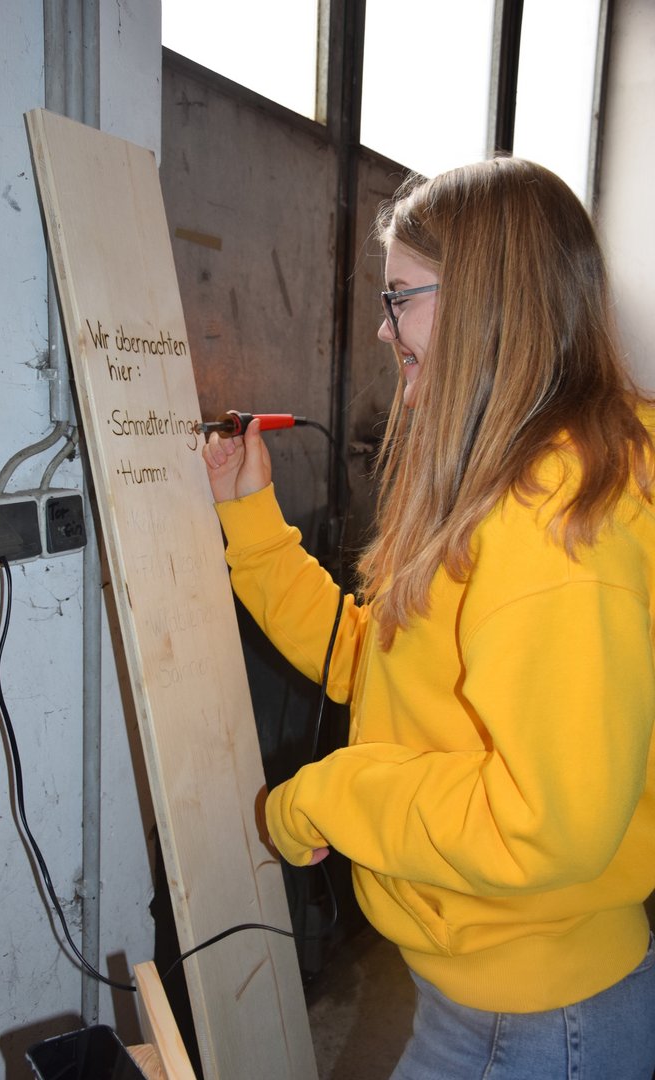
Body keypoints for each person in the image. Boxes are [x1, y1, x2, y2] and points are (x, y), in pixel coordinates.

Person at [202, 157, 655, 1079]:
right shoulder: (510, 482)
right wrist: (250, 518)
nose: (383, 326)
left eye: (399, 297)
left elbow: (549, 825)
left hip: (534, 1020)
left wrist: (331, 796)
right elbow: (379, 664)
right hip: (499, 997)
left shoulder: (548, 515)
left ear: (485, 299)